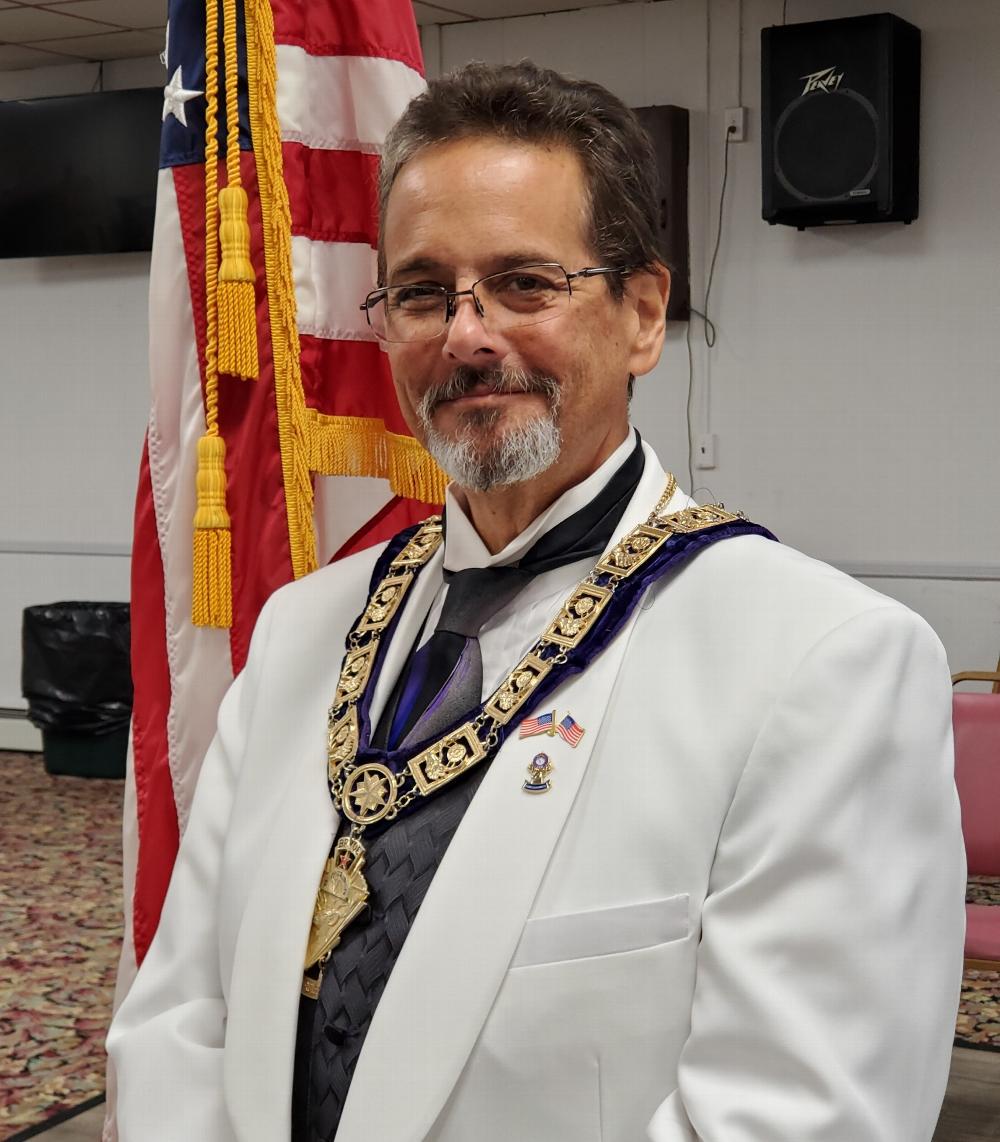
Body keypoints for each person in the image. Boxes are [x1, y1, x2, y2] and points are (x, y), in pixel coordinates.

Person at [108, 61, 965, 1142]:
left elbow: (803, 1116)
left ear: (642, 314)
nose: (467, 336)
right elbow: (181, 1017)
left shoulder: (821, 661)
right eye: (422, 292)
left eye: (524, 283)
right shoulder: (300, 631)